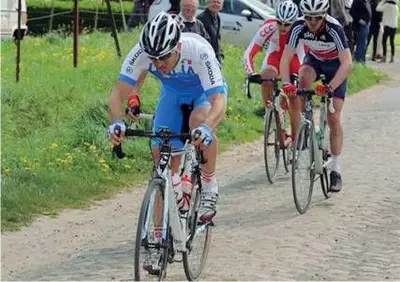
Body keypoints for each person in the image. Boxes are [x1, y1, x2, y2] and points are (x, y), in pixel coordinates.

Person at [107, 12, 227, 272]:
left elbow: (219, 101)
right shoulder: (142, 52)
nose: (158, 63)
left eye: (163, 57)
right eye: (153, 58)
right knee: (160, 159)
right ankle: (157, 238)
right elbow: (118, 91)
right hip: (171, 96)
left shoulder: (198, 50)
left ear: (178, 48)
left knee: (197, 122)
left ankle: (208, 183)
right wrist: (116, 121)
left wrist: (207, 127)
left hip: (202, 94)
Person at [280, 0, 353, 192]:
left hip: (336, 66)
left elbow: (347, 63)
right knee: (302, 78)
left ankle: (336, 169)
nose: (312, 22)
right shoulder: (298, 26)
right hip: (315, 60)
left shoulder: (334, 28)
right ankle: (307, 122)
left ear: (324, 16)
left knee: (334, 116)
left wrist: (330, 87)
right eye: (308, 18)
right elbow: (286, 57)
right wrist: (286, 82)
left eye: (317, 18)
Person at [243, 0, 304, 146]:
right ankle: (271, 111)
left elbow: (309, 54)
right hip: (275, 57)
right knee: (266, 78)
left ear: (294, 22)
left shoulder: (302, 29)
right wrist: (250, 72)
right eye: (280, 22)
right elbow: (249, 52)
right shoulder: (269, 26)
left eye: (287, 24)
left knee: (294, 98)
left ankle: (296, 138)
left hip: (295, 58)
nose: (282, 27)